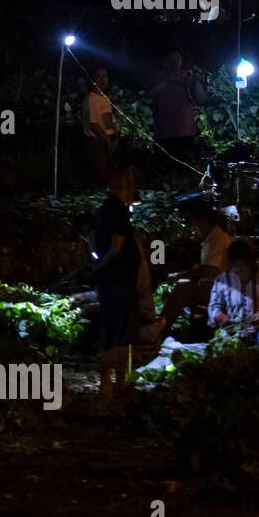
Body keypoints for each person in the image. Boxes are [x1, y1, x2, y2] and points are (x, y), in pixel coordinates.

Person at [92, 164, 140, 397]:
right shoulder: (117, 210)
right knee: (116, 330)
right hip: (117, 279)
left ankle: (119, 381)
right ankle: (108, 383)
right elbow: (117, 248)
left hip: (115, 278)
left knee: (116, 330)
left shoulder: (107, 209)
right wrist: (99, 267)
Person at [159, 203, 233, 331]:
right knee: (183, 285)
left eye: (196, 223)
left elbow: (208, 269)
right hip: (215, 286)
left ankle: (161, 328)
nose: (195, 227)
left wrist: (180, 276)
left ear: (204, 221)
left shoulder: (217, 240)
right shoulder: (211, 238)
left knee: (183, 289)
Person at [207, 241, 259, 348]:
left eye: (242, 264)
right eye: (235, 264)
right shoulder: (223, 279)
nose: (238, 269)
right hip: (232, 334)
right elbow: (214, 308)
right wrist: (225, 319)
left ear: (251, 262)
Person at [149, 51, 206, 163]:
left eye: (177, 59)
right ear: (164, 62)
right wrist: (169, 79)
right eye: (171, 59)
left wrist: (196, 81)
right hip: (165, 133)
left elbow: (201, 100)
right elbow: (150, 94)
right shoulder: (157, 77)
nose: (174, 63)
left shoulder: (186, 77)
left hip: (186, 132)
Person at [82, 65, 118, 185]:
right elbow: (93, 124)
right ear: (92, 79)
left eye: (104, 76)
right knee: (99, 177)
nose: (102, 79)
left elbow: (109, 119)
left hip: (109, 141)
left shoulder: (105, 97)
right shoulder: (91, 98)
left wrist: (116, 137)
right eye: (98, 76)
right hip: (97, 142)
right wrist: (108, 142)